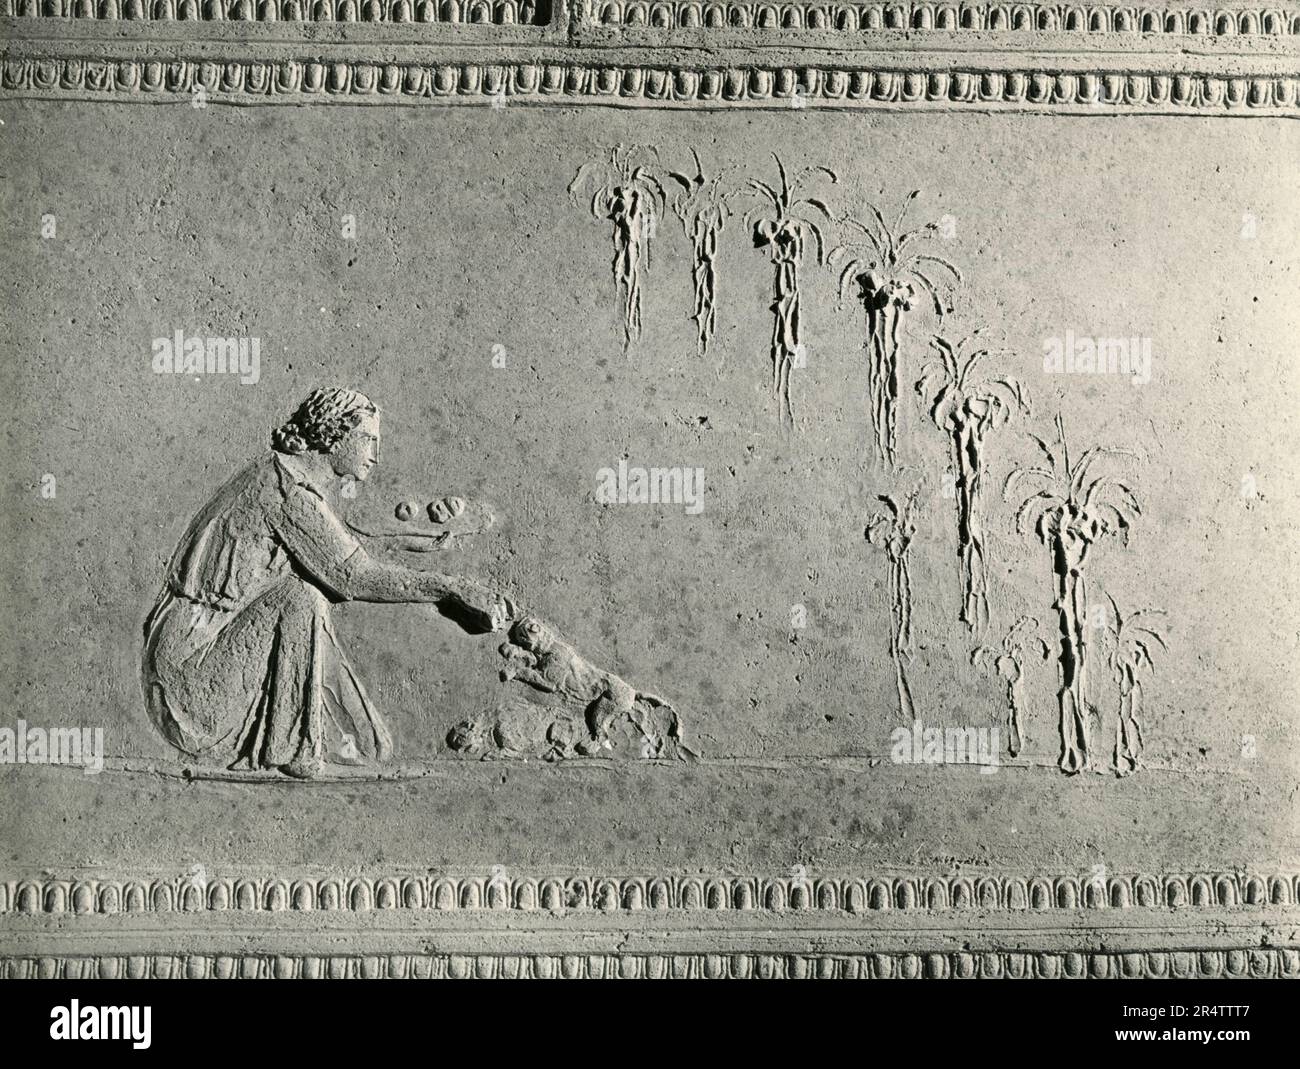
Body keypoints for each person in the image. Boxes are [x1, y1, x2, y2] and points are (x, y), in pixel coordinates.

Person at [141, 387, 513, 778]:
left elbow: (346, 546)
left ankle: (354, 744)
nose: (376, 455)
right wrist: (451, 590)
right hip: (189, 683)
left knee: (302, 601)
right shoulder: (285, 493)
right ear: (333, 434)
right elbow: (353, 575)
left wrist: (424, 543)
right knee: (301, 597)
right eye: (368, 440)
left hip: (187, 663)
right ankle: (291, 753)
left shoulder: (281, 475)